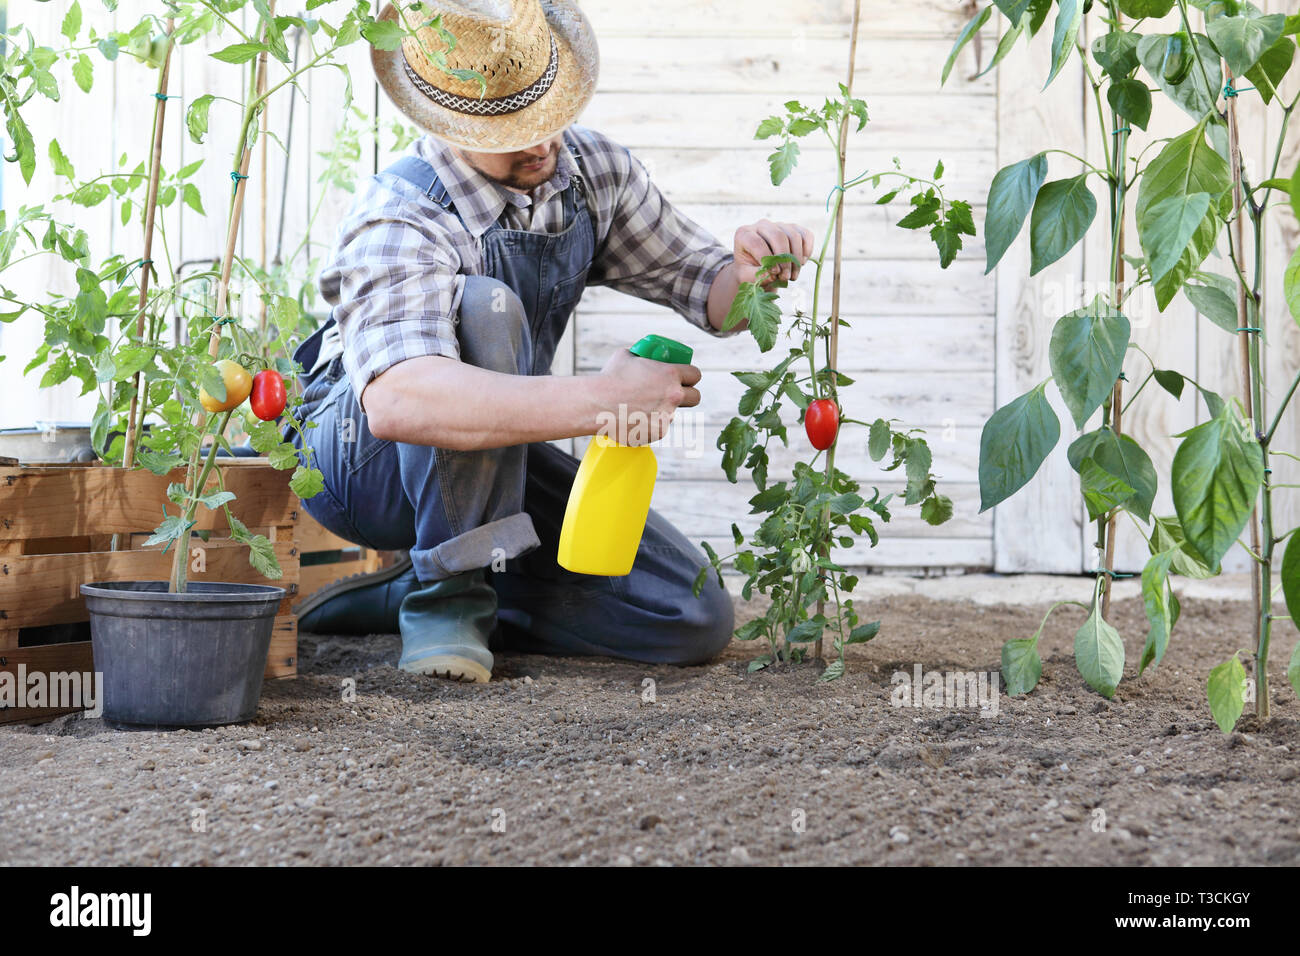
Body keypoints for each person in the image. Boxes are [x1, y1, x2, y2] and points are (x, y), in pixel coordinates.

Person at [290, 0, 813, 683]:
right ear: (448, 123)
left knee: (687, 616)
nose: (540, 143)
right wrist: (604, 401)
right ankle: (448, 599)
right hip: (361, 466)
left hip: (491, 450)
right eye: (510, 128)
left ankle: (411, 587)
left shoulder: (592, 174)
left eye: (546, 116)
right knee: (485, 307)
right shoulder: (401, 215)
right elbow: (401, 400)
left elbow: (708, 291)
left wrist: (747, 276)